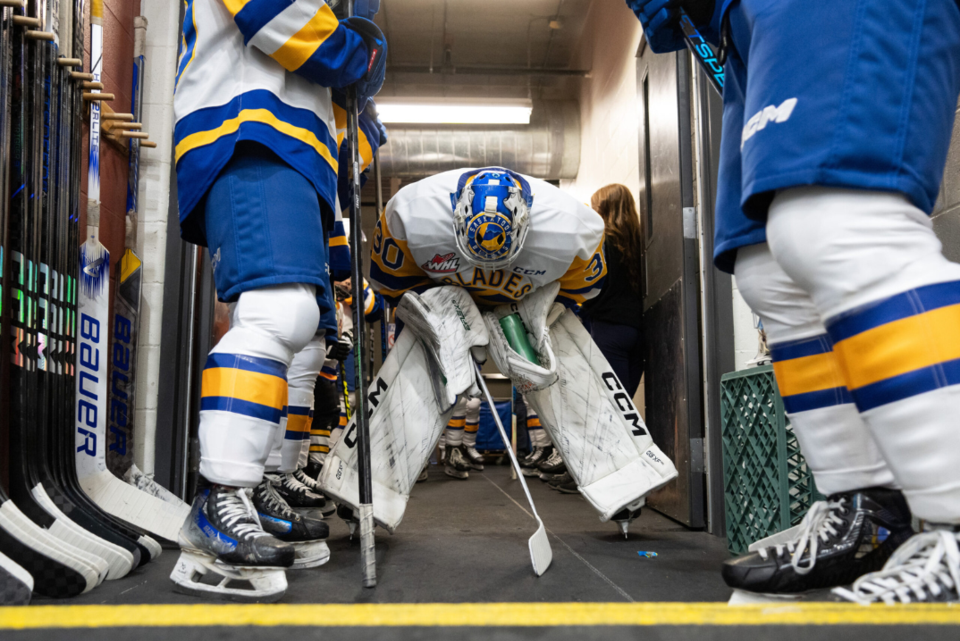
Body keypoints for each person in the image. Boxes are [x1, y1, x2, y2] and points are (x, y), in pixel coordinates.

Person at [628, 0, 960, 603]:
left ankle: (951, 516)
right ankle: (869, 509)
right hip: (727, 21)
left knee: (835, 221)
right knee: (769, 271)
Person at [317, 167, 678, 536]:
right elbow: (396, 287)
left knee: (555, 354)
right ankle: (364, 486)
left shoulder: (574, 229)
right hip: (449, 296)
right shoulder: (409, 215)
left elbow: (576, 296)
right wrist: (441, 319)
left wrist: (533, 316)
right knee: (423, 362)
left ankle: (623, 476)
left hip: (523, 299)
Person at [168, 0, 386, 602]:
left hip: (288, 144)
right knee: (275, 311)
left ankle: (255, 486)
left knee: (301, 329)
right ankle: (219, 500)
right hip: (249, 125)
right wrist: (352, 53)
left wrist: (355, 121)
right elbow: (269, 11)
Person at [583, 184, 645, 398]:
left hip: (607, 331)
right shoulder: (642, 244)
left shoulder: (599, 243)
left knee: (612, 410)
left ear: (606, 210)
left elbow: (588, 287)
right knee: (624, 407)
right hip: (638, 333)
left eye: (595, 208)